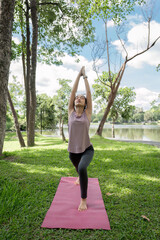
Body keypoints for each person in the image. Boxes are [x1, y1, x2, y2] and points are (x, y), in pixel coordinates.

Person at [68, 66, 94, 211]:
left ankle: (83, 200)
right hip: (72, 152)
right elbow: (73, 92)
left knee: (83, 167)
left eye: (81, 98)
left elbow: (89, 93)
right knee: (79, 169)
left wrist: (85, 77)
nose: (78, 98)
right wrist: (78, 74)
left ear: (85, 103)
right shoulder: (70, 112)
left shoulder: (87, 114)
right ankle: (79, 176)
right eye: (77, 97)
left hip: (86, 149)